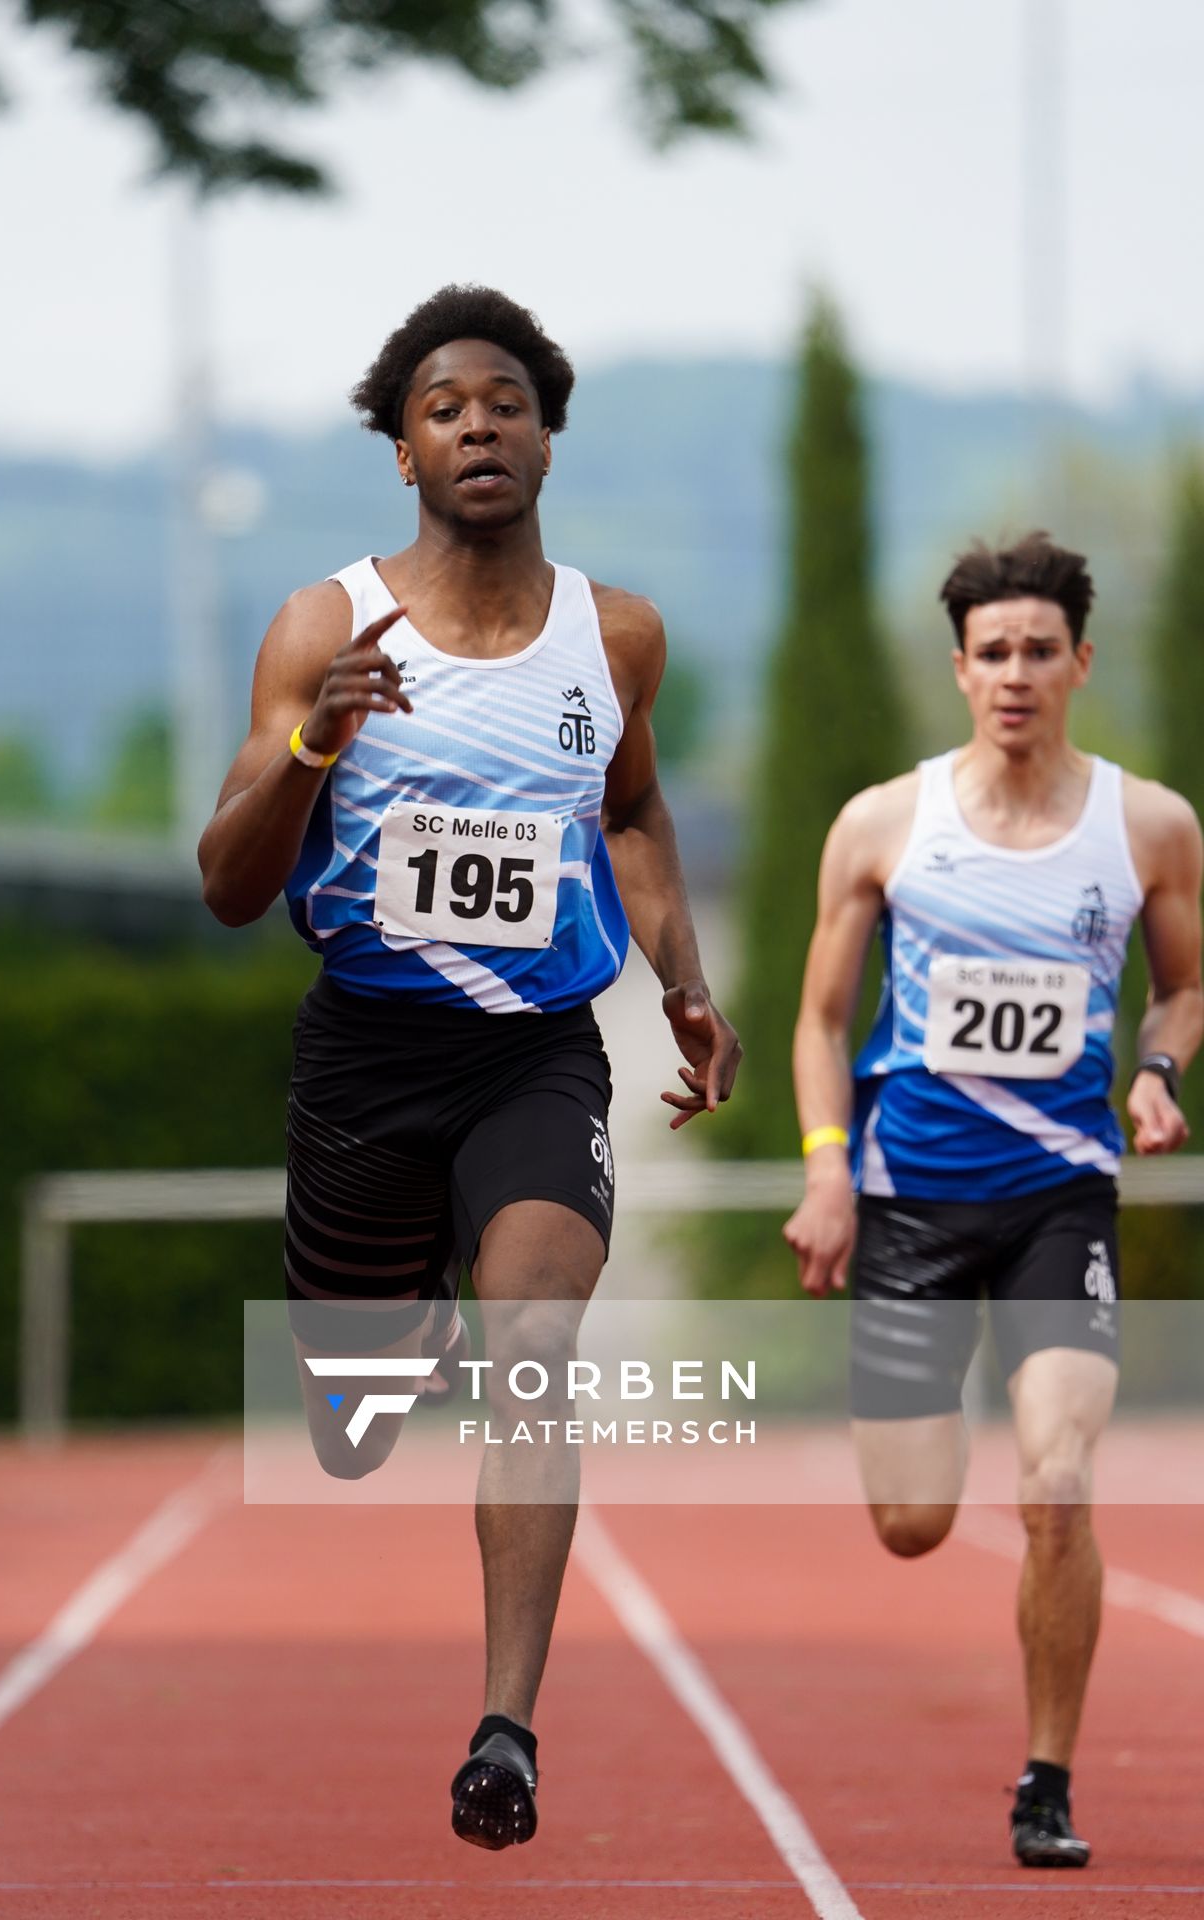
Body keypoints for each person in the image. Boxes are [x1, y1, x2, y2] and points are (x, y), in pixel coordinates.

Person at [198, 285, 740, 1851]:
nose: (479, 425)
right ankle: (394, 1316)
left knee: (535, 1348)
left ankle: (507, 1729)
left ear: (548, 439)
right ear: (404, 453)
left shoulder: (615, 634)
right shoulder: (324, 627)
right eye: (445, 408)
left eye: (506, 401)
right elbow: (233, 887)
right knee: (353, 1423)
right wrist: (311, 747)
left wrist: (684, 983)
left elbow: (632, 815)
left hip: (534, 1061)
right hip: (368, 1054)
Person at [783, 532, 1202, 1869]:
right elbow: (820, 1017)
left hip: (1059, 1204)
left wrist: (1154, 1071)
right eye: (992, 653)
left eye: (1039, 651)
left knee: (1060, 1483)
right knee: (911, 1525)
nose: (1016, 674)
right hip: (909, 1205)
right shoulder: (884, 825)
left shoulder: (1148, 826)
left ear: (1081, 661)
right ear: (958, 670)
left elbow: (1185, 985)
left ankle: (1046, 1780)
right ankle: (934, 1440)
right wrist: (824, 1172)